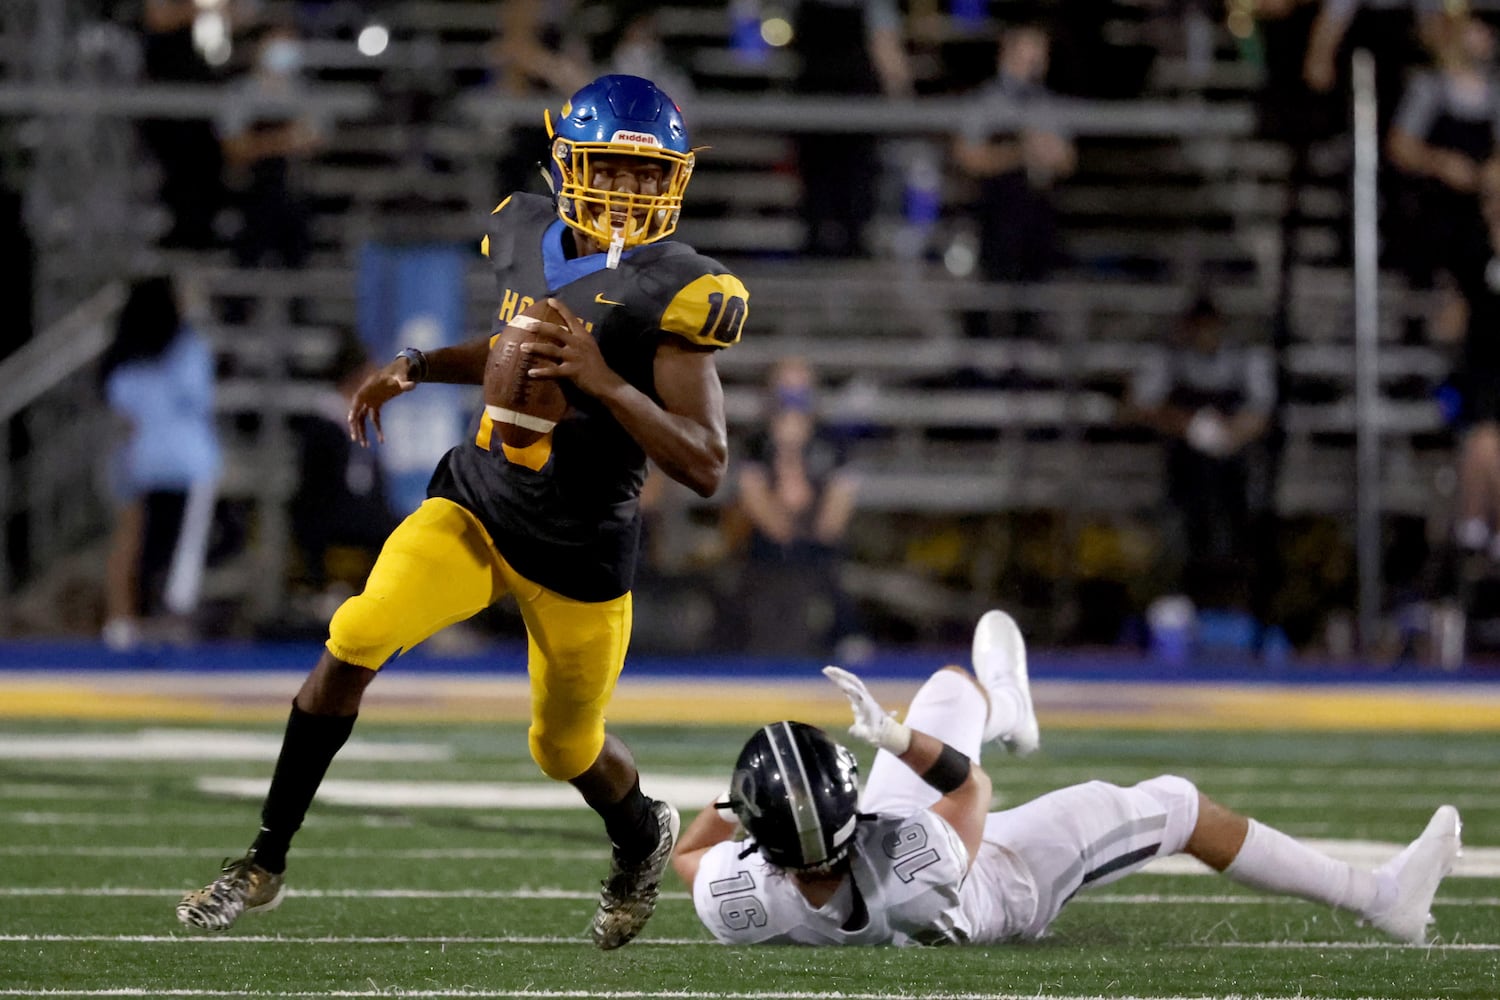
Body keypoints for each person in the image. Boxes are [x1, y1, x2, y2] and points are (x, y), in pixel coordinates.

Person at [177, 74, 748, 951]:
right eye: (611, 170)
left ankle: (640, 834)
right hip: (478, 504)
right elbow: (512, 341)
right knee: (356, 636)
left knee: (562, 747)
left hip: (580, 551)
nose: (629, 193)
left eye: (648, 176)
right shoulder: (525, 230)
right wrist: (414, 364)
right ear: (568, 165)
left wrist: (602, 382)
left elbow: (706, 462)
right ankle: (262, 862)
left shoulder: (676, 291)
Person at [672, 611, 1462, 947]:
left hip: (860, 855)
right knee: (1178, 805)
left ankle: (1009, 709)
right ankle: (1382, 900)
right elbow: (969, 792)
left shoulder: (738, 902)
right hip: (989, 890)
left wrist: (758, 801)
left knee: (953, 684)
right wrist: (899, 739)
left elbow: (688, 858)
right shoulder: (920, 867)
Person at [1120, 294, 1275, 611]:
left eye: (1210, 329)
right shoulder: (1168, 358)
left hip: (1233, 470)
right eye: (1198, 329)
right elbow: (1134, 406)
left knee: (1236, 540)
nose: (1205, 337)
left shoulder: (1244, 359)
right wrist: (1188, 425)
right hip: (1183, 471)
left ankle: (1236, 607)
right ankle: (1177, 605)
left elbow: (1263, 412)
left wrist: (1230, 434)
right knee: (1180, 539)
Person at [101, 275, 222, 650]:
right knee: (183, 547)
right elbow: (200, 398)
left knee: (140, 543)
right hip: (189, 463)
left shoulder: (125, 355)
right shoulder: (188, 347)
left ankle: (131, 617)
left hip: (143, 461)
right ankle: (172, 615)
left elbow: (121, 405)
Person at [732, 356, 863, 657]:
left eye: (799, 388)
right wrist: (786, 456)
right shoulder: (755, 443)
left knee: (829, 598)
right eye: (785, 388)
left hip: (818, 554)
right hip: (766, 555)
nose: (792, 399)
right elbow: (755, 501)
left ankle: (841, 634)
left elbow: (835, 514)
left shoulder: (833, 444)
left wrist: (812, 533)